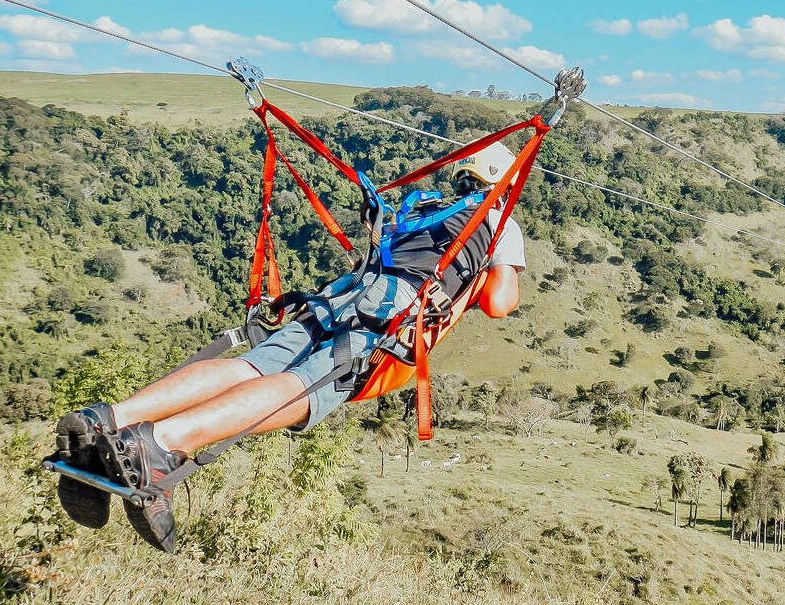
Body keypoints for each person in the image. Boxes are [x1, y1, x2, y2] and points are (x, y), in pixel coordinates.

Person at [52, 143, 526, 552]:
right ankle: (158, 447)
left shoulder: (424, 208)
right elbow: (501, 302)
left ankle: (106, 421)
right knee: (304, 389)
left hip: (343, 293)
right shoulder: (499, 219)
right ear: (500, 184)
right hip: (392, 313)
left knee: (252, 367)